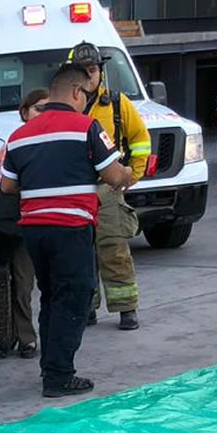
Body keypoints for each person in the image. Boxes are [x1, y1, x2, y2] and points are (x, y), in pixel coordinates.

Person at [0, 65, 133, 398]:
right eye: (86, 95)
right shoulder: (87, 127)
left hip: (34, 230)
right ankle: (58, 377)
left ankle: (50, 367)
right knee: (74, 297)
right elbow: (115, 176)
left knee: (51, 297)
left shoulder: (19, 135)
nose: (87, 101)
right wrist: (129, 173)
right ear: (76, 91)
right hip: (71, 227)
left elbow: (7, 185)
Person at [69, 41, 151, 331]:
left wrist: (132, 176)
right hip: (75, 190)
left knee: (113, 249)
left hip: (106, 188)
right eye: (82, 71)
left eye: (93, 69)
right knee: (80, 255)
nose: (89, 76)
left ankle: (126, 308)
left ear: (100, 72)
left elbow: (140, 138)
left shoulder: (116, 103)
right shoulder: (64, 107)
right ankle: (87, 307)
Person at [0, 89, 49, 359]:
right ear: (25, 111)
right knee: (23, 284)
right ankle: (27, 338)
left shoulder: (55, 139)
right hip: (25, 222)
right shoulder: (15, 142)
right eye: (39, 108)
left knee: (55, 283)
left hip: (54, 220)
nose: (44, 114)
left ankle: (54, 335)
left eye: (49, 109)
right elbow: (6, 185)